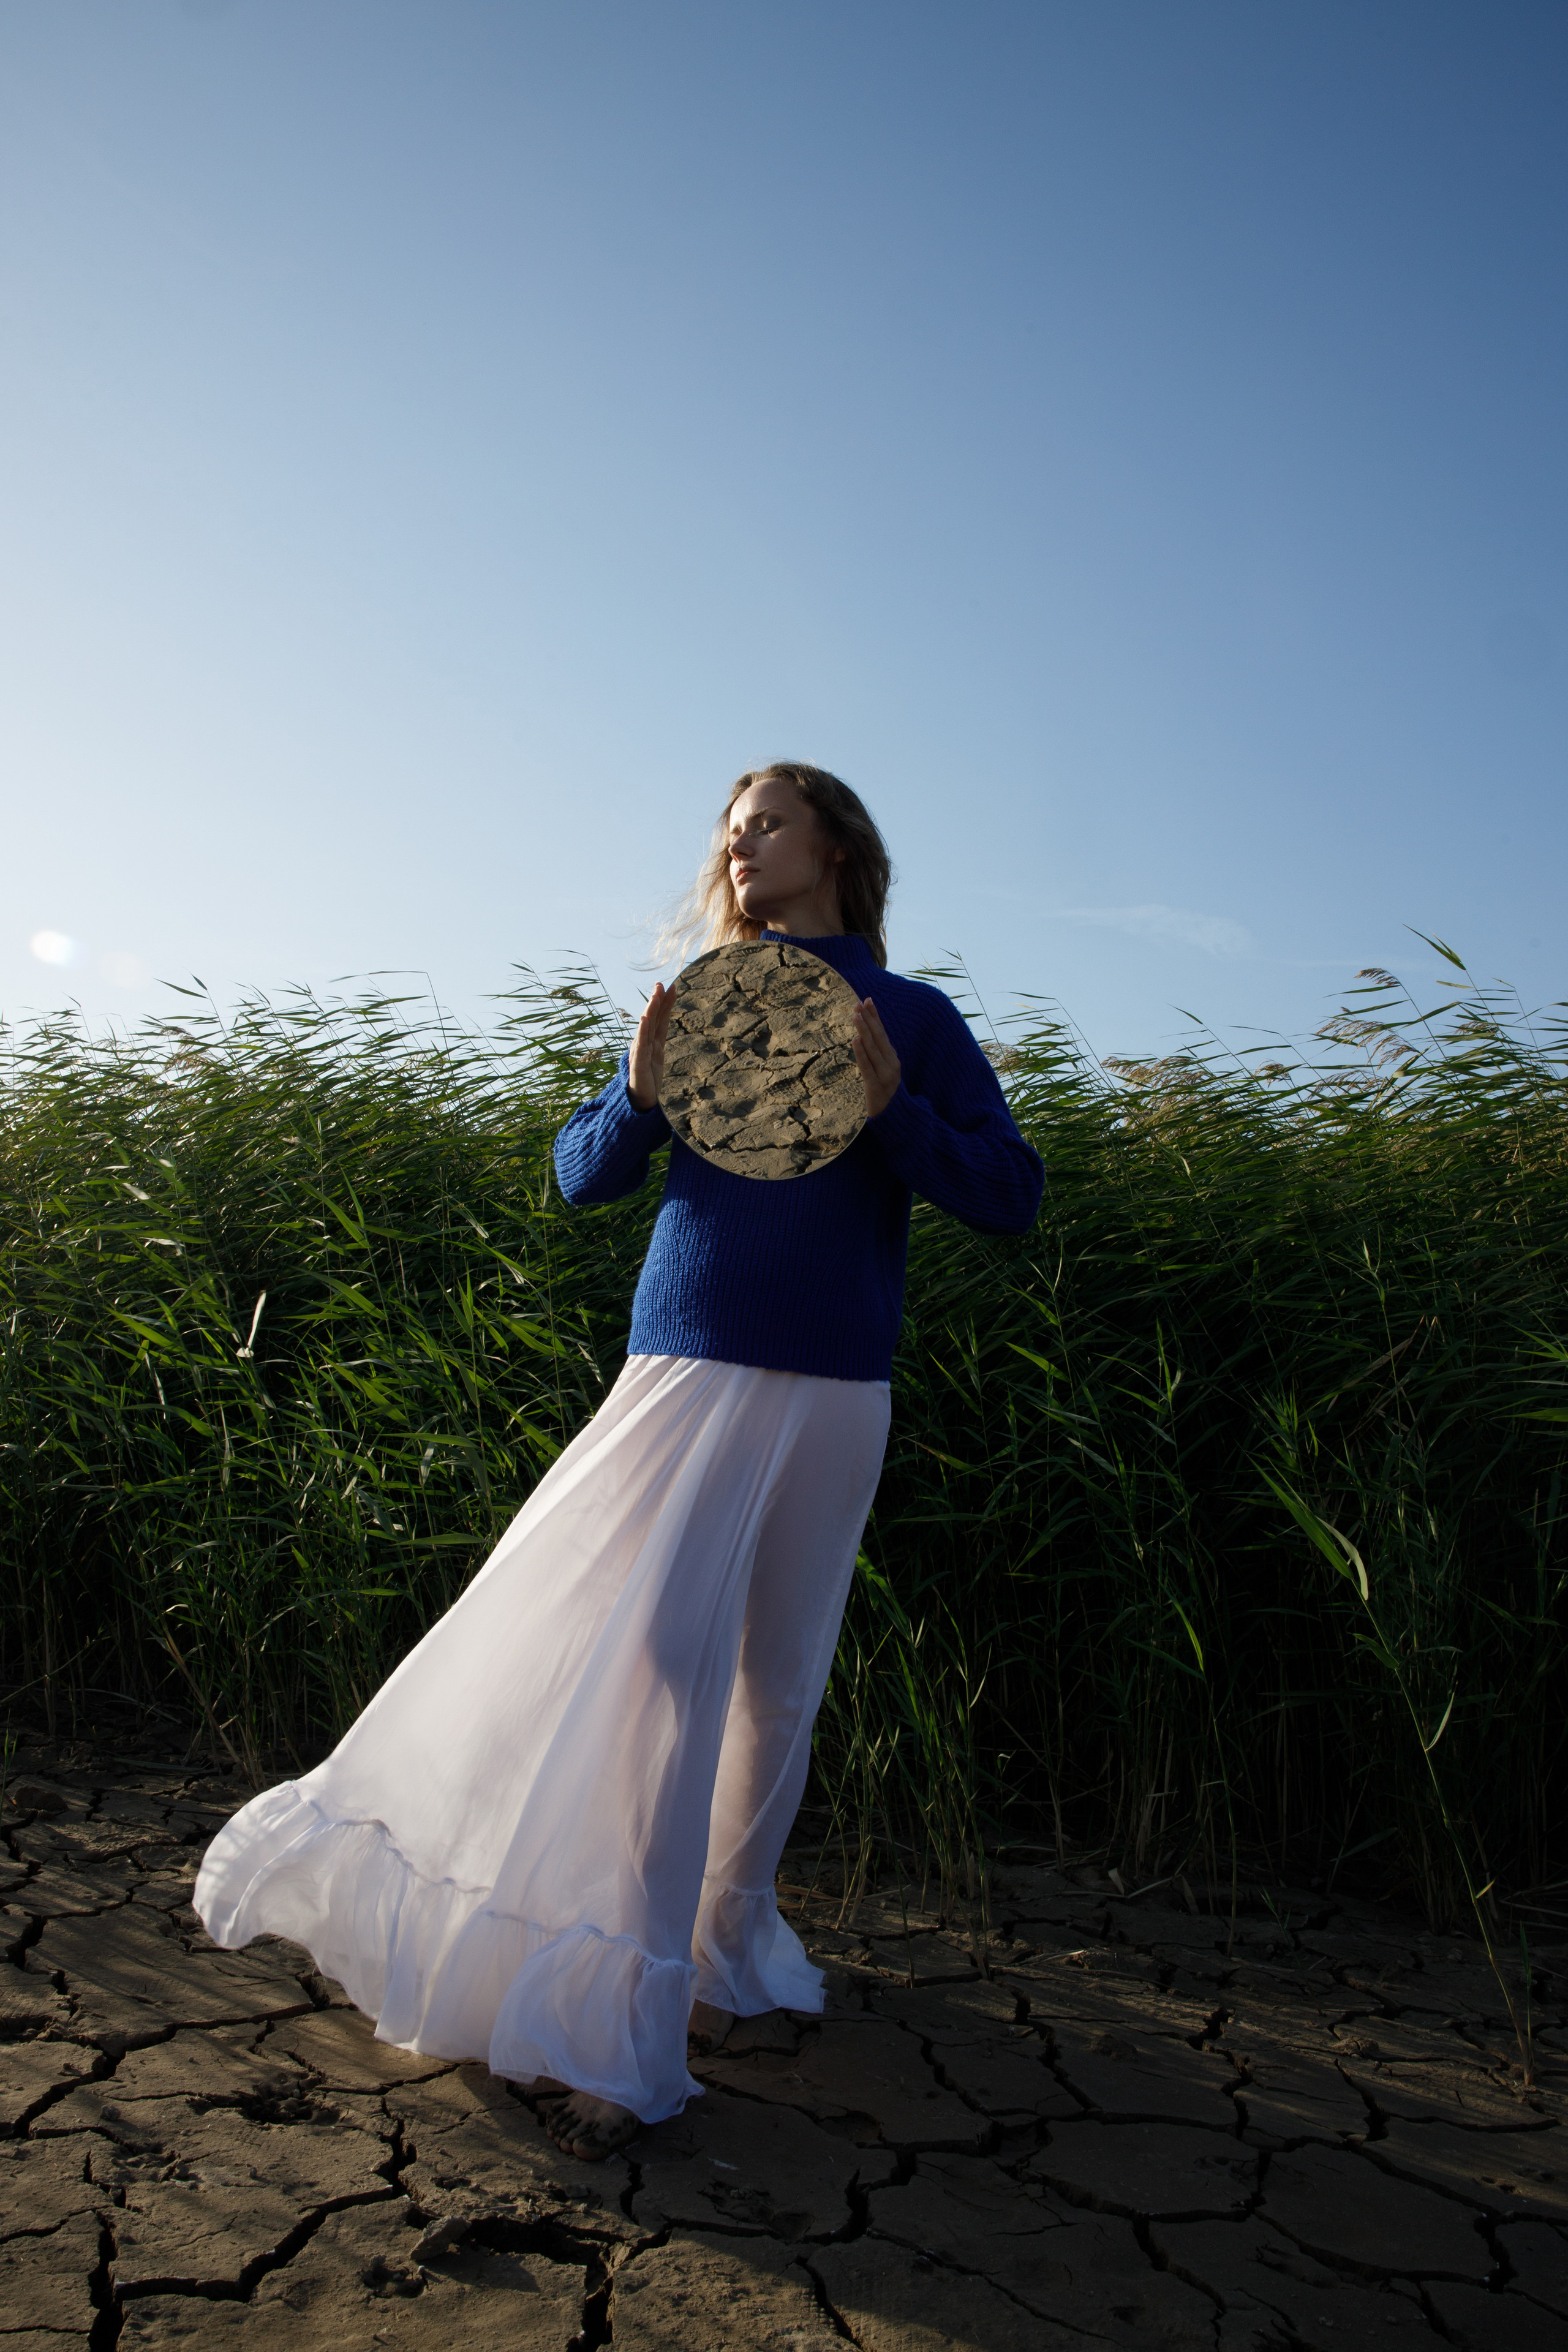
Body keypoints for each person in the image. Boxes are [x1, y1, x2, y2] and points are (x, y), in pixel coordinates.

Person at [194, 762, 1043, 2162]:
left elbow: (1007, 1195)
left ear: (836, 845)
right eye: (730, 830)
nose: (739, 845)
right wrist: (641, 1093)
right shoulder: (704, 995)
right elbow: (579, 1173)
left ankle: (719, 1957)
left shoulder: (911, 1016)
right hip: (687, 1372)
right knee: (659, 1676)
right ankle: (617, 2020)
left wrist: (894, 1109)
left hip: (838, 1386)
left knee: (776, 1688)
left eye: (766, 823)